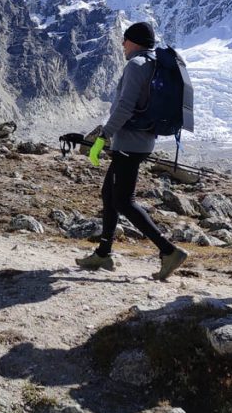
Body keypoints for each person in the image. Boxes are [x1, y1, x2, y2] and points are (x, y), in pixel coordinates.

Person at [76, 21, 189, 280]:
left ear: (134, 41)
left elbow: (124, 107)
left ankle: (169, 250)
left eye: (125, 39)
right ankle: (103, 254)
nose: (122, 44)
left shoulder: (136, 65)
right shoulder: (154, 64)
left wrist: (103, 135)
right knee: (109, 194)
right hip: (141, 141)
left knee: (123, 201)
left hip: (129, 143)